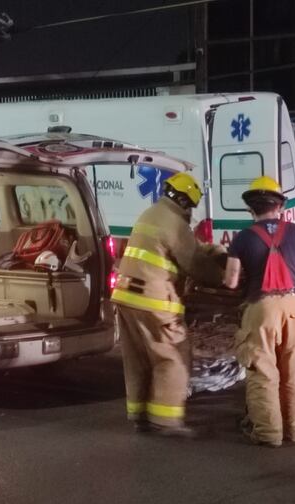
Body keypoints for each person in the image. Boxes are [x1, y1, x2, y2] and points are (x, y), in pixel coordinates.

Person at [111, 172, 225, 437]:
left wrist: (204, 250)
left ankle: (140, 415)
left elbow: (178, 250)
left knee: (138, 358)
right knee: (172, 356)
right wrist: (219, 273)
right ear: (186, 202)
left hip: (126, 297)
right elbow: (196, 265)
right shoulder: (176, 224)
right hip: (153, 301)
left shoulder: (150, 214)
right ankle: (165, 420)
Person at [224, 176, 295, 447]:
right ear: (280, 206)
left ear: (251, 209)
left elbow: (231, 281)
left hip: (261, 309)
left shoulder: (242, 238)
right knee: (292, 371)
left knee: (264, 372)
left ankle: (269, 434)